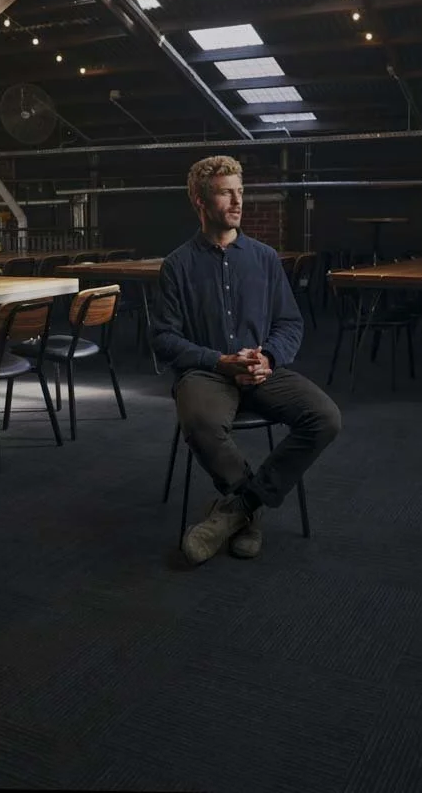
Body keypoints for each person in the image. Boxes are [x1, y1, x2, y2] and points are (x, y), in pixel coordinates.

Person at [150, 155, 342, 566]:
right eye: (225, 193)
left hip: (262, 371)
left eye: (240, 192)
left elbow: (290, 322)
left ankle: (238, 508)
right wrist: (219, 360)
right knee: (200, 422)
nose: (238, 202)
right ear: (200, 201)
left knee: (326, 417)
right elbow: (164, 339)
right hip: (207, 373)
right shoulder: (177, 266)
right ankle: (249, 510)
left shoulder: (266, 259)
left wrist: (268, 357)